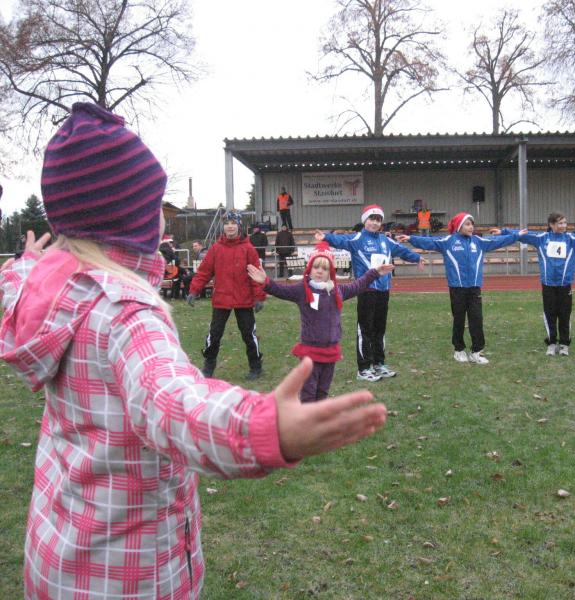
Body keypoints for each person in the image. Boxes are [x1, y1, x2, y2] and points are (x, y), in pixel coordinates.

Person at [0, 102, 387, 599]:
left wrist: (26, 265)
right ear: (132, 218)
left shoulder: (51, 288)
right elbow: (171, 402)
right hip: (128, 577)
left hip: (58, 554)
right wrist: (263, 428)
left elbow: (16, 287)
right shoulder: (125, 314)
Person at [248, 242, 395, 402]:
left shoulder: (337, 291)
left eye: (324, 269)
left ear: (330, 272)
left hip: (330, 351)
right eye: (316, 267)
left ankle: (319, 415)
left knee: (323, 391)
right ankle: (307, 416)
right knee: (309, 391)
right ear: (309, 269)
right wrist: (265, 282)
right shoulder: (301, 290)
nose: (319, 271)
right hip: (310, 352)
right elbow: (280, 290)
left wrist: (375, 272)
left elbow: (358, 285)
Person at [315, 204, 424, 382]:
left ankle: (379, 363)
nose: (375, 223)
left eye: (378, 220)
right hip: (366, 290)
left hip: (384, 290)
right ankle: (364, 368)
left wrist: (417, 258)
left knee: (379, 329)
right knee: (365, 329)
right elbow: (341, 240)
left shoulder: (385, 240)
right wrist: (325, 237)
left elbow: (402, 250)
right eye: (372, 219)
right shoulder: (358, 238)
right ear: (365, 221)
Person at [397, 212, 519, 364]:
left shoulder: (479, 241)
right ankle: (459, 350)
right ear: (459, 226)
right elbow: (429, 242)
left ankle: (476, 352)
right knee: (459, 319)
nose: (471, 227)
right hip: (457, 288)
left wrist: (516, 236)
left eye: (472, 224)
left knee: (476, 319)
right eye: (467, 224)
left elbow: (498, 241)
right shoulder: (448, 241)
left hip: (474, 288)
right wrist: (411, 238)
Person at [494, 214, 575, 356]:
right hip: (548, 284)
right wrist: (503, 232)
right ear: (551, 224)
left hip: (565, 284)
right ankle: (552, 343)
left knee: (564, 315)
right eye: (560, 223)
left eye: (565, 223)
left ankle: (564, 344)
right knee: (550, 315)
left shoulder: (571, 239)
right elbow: (523, 235)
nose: (563, 226)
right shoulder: (541, 238)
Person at [188, 210, 266, 380]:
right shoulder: (216, 249)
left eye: (233, 223)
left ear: (239, 226)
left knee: (248, 335)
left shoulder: (248, 249)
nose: (230, 226)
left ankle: (256, 366)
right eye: (227, 223)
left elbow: (255, 275)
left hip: (244, 300)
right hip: (221, 299)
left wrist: (258, 297)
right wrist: (194, 290)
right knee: (214, 335)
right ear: (223, 227)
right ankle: (208, 366)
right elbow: (204, 272)